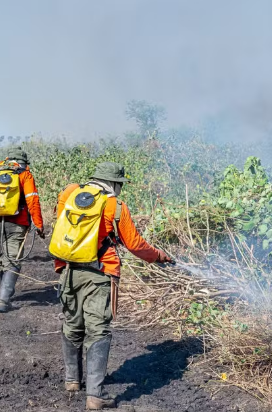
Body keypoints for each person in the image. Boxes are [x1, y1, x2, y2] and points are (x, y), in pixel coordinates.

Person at [52, 162, 173, 410]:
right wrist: (159, 256)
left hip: (69, 270)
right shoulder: (115, 206)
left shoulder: (70, 193)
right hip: (100, 273)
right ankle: (95, 395)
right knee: (99, 330)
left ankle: (72, 380)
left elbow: (62, 226)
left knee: (72, 323)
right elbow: (135, 244)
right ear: (114, 183)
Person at [0, 147, 44, 313]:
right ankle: (4, 298)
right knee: (13, 260)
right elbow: (33, 201)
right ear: (24, 163)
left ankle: (3, 293)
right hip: (18, 224)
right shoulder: (24, 174)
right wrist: (39, 225)